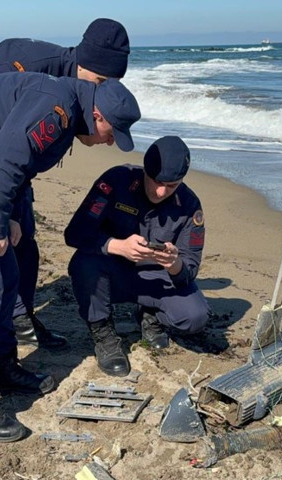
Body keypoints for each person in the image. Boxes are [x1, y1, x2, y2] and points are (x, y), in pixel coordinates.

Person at [0, 72, 140, 442]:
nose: (107, 143)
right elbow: (6, 159)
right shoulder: (57, 109)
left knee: (7, 277)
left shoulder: (66, 104)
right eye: (111, 134)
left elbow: (19, 166)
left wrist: (13, 214)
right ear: (98, 116)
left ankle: (3, 367)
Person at [0, 18, 131, 349]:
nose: (101, 91)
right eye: (99, 80)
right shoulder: (26, 64)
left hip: (14, 161)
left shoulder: (78, 91)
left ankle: (21, 317)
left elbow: (21, 156)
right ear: (83, 62)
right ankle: (11, 320)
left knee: (24, 238)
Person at [64, 136, 210, 377]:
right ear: (145, 170)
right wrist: (116, 246)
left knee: (195, 317)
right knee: (84, 263)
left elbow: (190, 269)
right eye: (156, 181)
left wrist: (175, 264)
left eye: (171, 185)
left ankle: (151, 316)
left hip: (155, 278)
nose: (161, 191)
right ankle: (103, 334)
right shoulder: (115, 181)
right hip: (112, 272)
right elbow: (75, 234)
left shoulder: (189, 205)